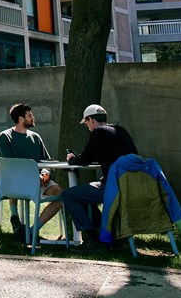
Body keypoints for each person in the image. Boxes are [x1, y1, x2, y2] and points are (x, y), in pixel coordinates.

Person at [62, 104, 138, 253]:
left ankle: (93, 238)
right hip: (129, 185)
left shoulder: (98, 133)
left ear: (91, 120)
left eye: (86, 124)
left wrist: (71, 159)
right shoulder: (120, 131)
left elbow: (84, 160)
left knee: (69, 195)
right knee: (87, 193)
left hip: (113, 187)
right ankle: (109, 234)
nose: (88, 127)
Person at [0, 104, 63, 237]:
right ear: (21, 119)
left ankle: (33, 230)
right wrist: (34, 176)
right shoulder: (5, 136)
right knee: (14, 179)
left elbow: (46, 161)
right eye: (30, 115)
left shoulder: (36, 137)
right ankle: (14, 216)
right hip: (17, 183)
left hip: (39, 181)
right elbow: (11, 165)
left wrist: (46, 173)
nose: (33, 118)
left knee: (62, 196)